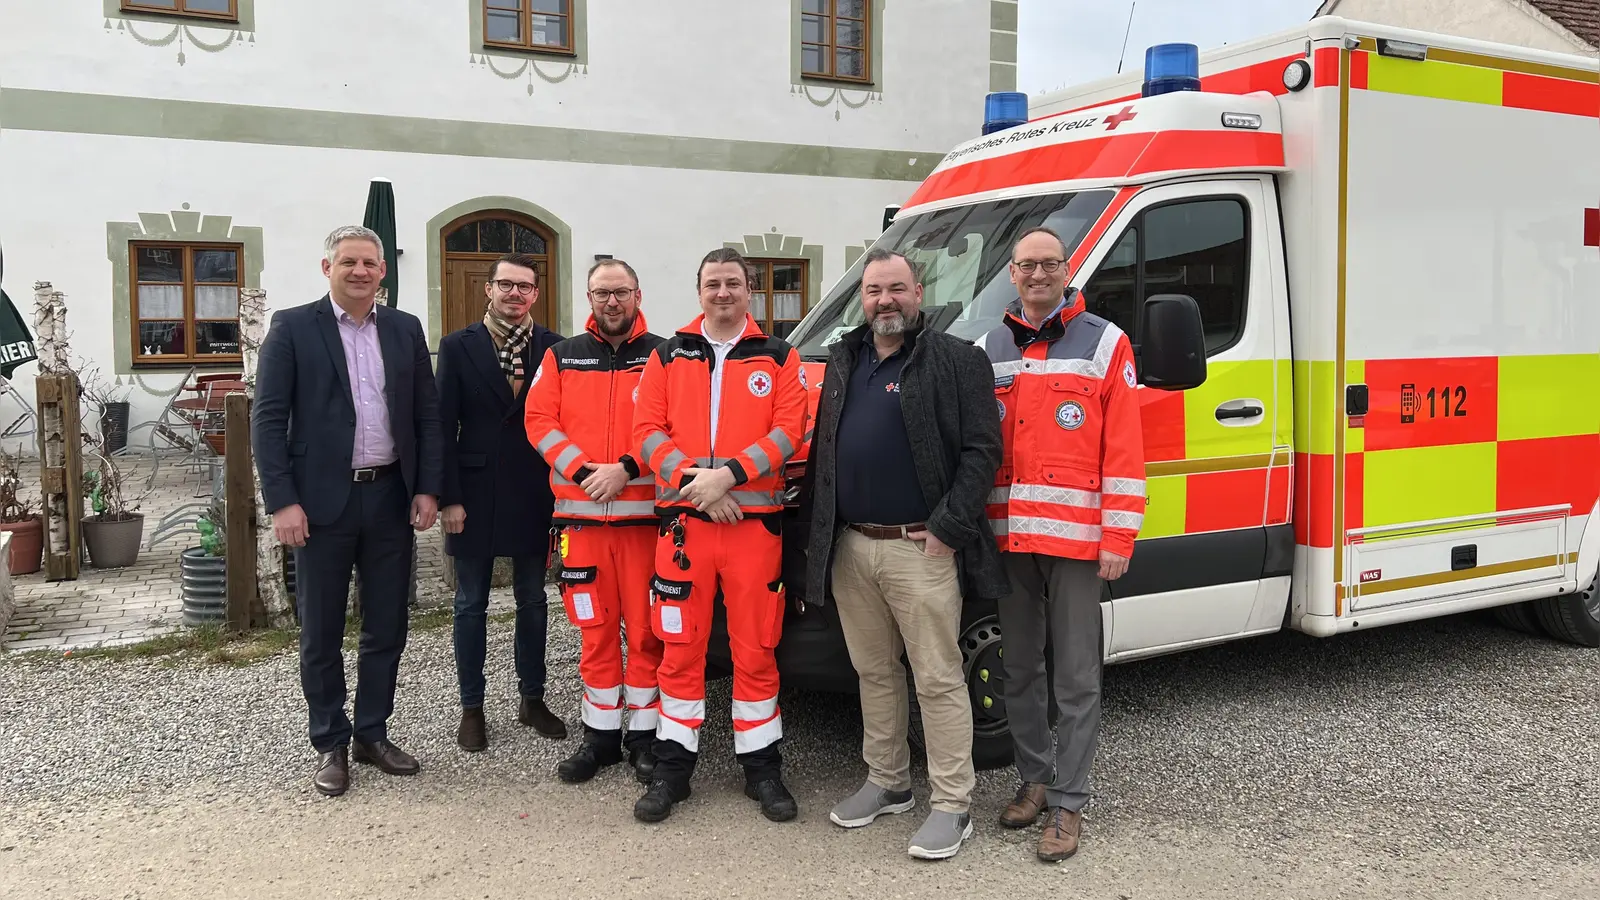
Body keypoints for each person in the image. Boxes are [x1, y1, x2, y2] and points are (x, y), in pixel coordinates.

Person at [801, 249, 1005, 860]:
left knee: (939, 679)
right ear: (860, 299)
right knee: (873, 673)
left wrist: (948, 526)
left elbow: (981, 451)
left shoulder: (957, 360)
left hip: (922, 548)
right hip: (853, 545)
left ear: (919, 291)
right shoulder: (845, 358)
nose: (884, 301)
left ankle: (952, 803)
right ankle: (887, 782)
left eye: (896, 289)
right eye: (872, 291)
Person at [252, 225, 443, 798]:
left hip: (389, 496)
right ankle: (330, 741)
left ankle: (371, 733)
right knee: (321, 629)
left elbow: (427, 416)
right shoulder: (292, 327)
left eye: (369, 263)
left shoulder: (405, 329)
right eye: (348, 262)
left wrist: (427, 487)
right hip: (320, 502)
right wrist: (282, 500)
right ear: (326, 267)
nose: (360, 271)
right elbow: (267, 419)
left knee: (388, 624)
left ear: (383, 271)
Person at [980, 226, 1146, 861]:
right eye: (1027, 265)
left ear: (1067, 269)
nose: (1038, 274)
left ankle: (1069, 804)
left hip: (1079, 544)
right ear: (1013, 274)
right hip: (1010, 541)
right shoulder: (991, 345)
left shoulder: (1106, 342)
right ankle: (1035, 779)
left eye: (1050, 264)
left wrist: (1119, 535)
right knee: (1020, 670)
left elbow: (1125, 449)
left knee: (1076, 678)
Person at [629, 247, 807, 824]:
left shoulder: (779, 355)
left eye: (733, 283)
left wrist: (727, 477)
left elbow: (790, 430)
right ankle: (673, 770)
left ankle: (762, 769)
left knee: (756, 649)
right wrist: (694, 483)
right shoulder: (666, 354)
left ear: (749, 290)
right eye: (713, 284)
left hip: (754, 531)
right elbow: (646, 431)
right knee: (679, 650)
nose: (723, 292)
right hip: (685, 529)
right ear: (698, 290)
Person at [524, 258, 665, 785]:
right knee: (595, 634)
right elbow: (538, 421)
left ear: (637, 294)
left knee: (649, 636)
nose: (611, 302)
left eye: (621, 292)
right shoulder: (562, 357)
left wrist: (626, 469)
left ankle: (645, 739)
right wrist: (585, 472)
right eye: (601, 293)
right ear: (589, 298)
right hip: (580, 528)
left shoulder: (665, 356)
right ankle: (600, 738)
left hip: (646, 527)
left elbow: (673, 427)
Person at [435, 252, 567, 751]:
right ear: (488, 289)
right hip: (473, 491)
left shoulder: (555, 347)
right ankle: (473, 708)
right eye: (506, 285)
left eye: (525, 287)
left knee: (533, 600)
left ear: (536, 294)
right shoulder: (457, 346)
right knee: (470, 603)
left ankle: (532, 700)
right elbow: (443, 425)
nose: (516, 295)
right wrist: (448, 496)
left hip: (536, 489)